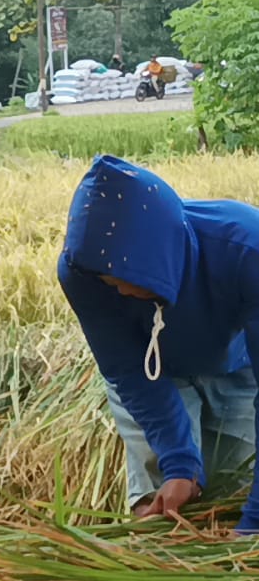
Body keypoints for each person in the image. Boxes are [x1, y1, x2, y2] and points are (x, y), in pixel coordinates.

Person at [58, 155, 259, 530]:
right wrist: (180, 464)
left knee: (234, 491)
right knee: (166, 504)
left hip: (237, 367)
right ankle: (154, 567)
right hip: (152, 372)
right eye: (106, 279)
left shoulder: (246, 249)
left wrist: (254, 523)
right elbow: (128, 369)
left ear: (157, 255)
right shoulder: (81, 270)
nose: (116, 288)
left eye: (123, 276)